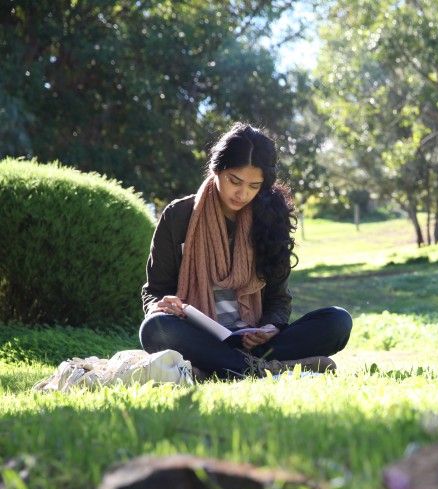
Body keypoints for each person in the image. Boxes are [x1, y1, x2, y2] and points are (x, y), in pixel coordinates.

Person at [140, 123, 352, 380]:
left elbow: (279, 300)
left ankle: (221, 369)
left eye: (254, 186)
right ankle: (265, 369)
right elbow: (154, 291)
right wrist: (161, 305)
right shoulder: (178, 216)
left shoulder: (271, 218)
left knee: (337, 322)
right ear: (216, 169)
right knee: (155, 328)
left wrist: (270, 327)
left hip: (255, 342)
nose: (242, 194)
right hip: (200, 339)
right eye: (235, 181)